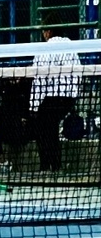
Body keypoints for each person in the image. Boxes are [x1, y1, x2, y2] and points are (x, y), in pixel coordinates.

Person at [29, 23, 81, 172]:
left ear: (48, 31)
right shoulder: (71, 47)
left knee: (43, 128)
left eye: (44, 31)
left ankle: (48, 165)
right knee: (50, 128)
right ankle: (54, 165)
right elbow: (78, 72)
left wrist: (33, 106)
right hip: (69, 97)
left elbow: (39, 79)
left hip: (53, 97)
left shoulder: (43, 50)